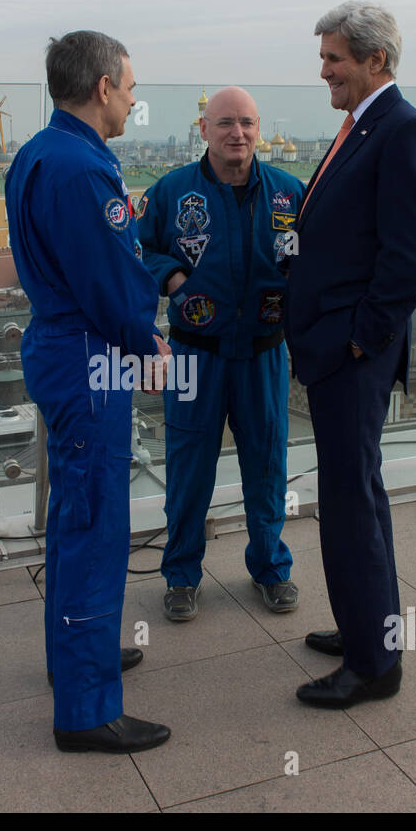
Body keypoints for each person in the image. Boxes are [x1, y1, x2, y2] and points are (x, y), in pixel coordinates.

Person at [5, 30, 172, 754]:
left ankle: (78, 655)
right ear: (102, 86)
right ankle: (86, 707)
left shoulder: (40, 152)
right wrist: (147, 340)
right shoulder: (82, 169)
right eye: (130, 85)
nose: (134, 97)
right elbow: (108, 281)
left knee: (77, 515)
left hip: (59, 346)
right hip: (88, 355)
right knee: (96, 524)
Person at [283, 2, 416, 708]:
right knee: (355, 495)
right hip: (338, 347)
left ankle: (375, 666)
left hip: (353, 352)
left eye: (334, 59)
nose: (324, 72)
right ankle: (363, 628)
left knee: (350, 501)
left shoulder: (402, 130)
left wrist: (359, 338)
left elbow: (408, 258)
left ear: (376, 60)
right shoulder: (363, 127)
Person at [136, 86, 301, 622]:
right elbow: (140, 249)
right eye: (226, 123)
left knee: (268, 465)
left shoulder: (288, 192)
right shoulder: (170, 191)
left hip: (264, 354)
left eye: (248, 123)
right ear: (203, 129)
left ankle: (272, 569)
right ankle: (181, 576)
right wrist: (174, 276)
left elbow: (313, 258)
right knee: (188, 472)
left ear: (259, 128)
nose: (239, 133)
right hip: (194, 354)